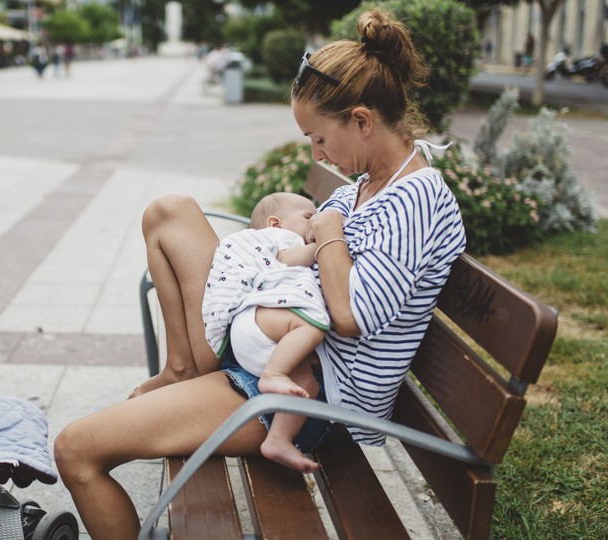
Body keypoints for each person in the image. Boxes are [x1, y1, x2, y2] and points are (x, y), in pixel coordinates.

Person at [53, 8, 466, 540]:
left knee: (76, 449)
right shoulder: (363, 186)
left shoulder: (416, 198)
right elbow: (305, 249)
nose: (317, 154)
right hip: (272, 337)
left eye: (319, 138)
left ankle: (197, 374)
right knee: (170, 211)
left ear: (362, 120)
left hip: (304, 395)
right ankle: (184, 367)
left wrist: (331, 226)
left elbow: (349, 316)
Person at [202, 192, 330, 472]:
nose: (314, 222)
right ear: (275, 223)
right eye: (308, 217)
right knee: (308, 326)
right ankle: (273, 375)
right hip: (259, 324)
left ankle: (278, 440)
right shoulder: (281, 238)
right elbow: (288, 259)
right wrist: (326, 244)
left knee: (306, 387)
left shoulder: (274, 235)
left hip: (262, 344)